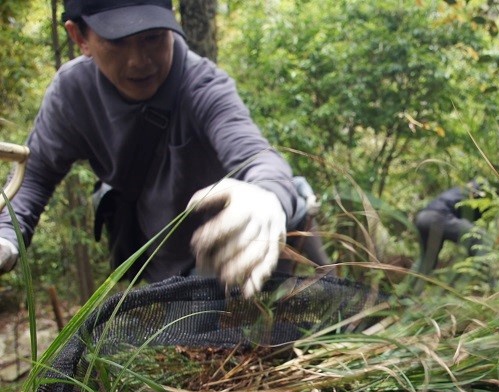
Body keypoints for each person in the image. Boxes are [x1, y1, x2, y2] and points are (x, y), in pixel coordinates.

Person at [0, 0, 325, 298]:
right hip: (168, 268)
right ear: (80, 37)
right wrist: (6, 239)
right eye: (116, 41)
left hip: (235, 247)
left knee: (267, 339)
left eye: (153, 37)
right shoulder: (72, 95)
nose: (139, 61)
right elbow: (35, 177)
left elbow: (256, 154)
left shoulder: (201, 84)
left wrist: (267, 196)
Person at [413, 175, 499, 276]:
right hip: (438, 217)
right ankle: (488, 283)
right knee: (480, 238)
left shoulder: (464, 192)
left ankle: (409, 291)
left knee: (428, 259)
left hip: (423, 217)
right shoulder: (478, 187)